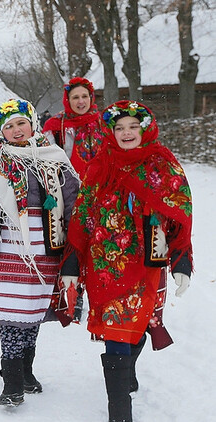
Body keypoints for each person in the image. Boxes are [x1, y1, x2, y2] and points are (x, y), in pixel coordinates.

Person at [61, 101, 193, 422]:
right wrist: (71, 261)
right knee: (115, 333)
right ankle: (120, 412)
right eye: (119, 128)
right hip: (105, 265)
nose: (126, 133)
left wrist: (182, 260)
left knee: (135, 331)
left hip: (147, 264)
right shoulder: (99, 164)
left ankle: (128, 368)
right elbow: (82, 214)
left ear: (144, 128)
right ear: (110, 132)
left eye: (133, 126)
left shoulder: (162, 164)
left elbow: (180, 210)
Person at [0, 99, 79, 407]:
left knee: (33, 313)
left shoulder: (53, 158)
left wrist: (78, 247)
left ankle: (26, 369)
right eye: (8, 126)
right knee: (12, 315)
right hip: (6, 249)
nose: (15, 130)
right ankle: (11, 380)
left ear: (33, 125)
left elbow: (74, 204)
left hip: (44, 250)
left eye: (20, 123)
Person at [42, 77, 106, 177]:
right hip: (69, 186)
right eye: (75, 97)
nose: (81, 101)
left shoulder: (104, 122)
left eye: (84, 96)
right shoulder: (55, 125)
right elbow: (49, 161)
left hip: (102, 184)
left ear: (91, 98)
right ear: (68, 100)